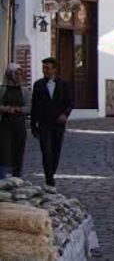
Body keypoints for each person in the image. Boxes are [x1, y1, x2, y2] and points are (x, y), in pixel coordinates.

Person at [31, 57, 73, 187]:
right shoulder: (38, 85)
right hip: (44, 124)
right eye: (44, 68)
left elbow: (69, 102)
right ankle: (49, 178)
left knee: (55, 151)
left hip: (58, 124)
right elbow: (35, 106)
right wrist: (33, 125)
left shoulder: (64, 84)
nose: (45, 71)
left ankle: (52, 172)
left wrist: (65, 114)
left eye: (48, 68)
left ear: (54, 69)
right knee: (46, 151)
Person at [0, 64, 31, 178]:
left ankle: (17, 175)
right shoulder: (2, 89)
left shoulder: (24, 91)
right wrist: (5, 109)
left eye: (20, 74)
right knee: (4, 149)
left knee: (18, 148)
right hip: (5, 124)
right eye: (16, 74)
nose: (18, 76)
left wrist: (19, 109)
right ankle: (2, 176)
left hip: (19, 123)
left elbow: (29, 107)